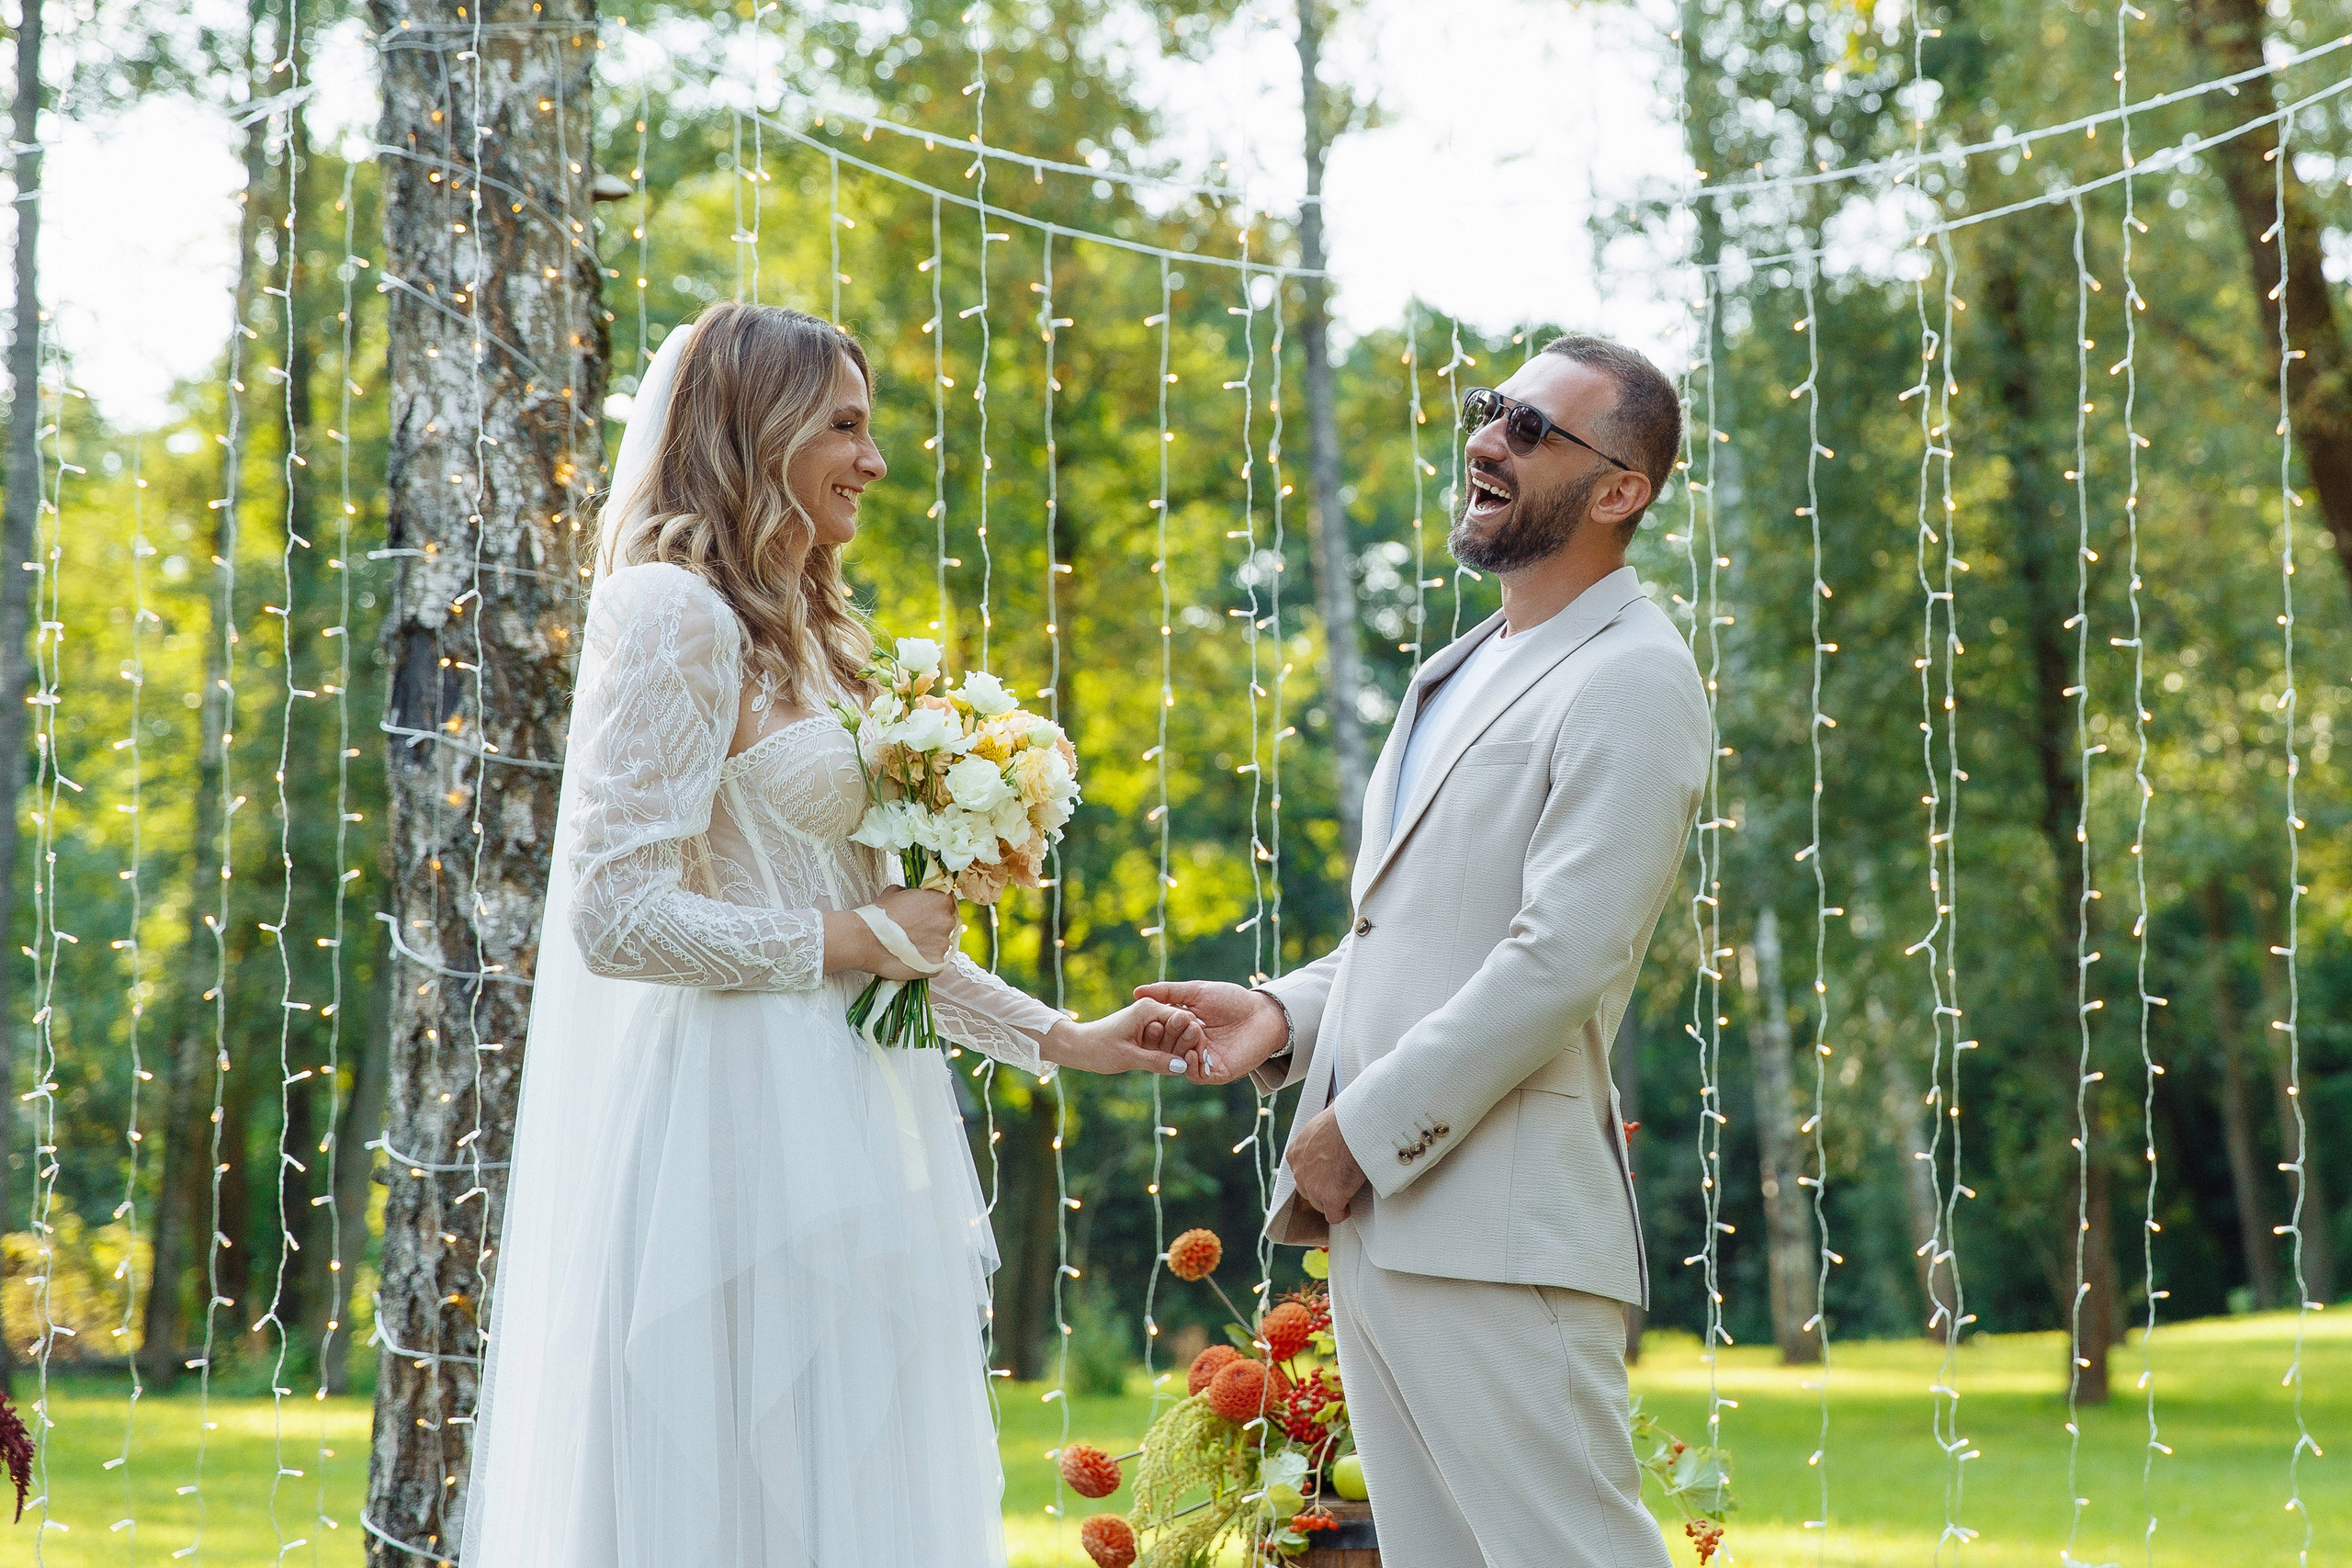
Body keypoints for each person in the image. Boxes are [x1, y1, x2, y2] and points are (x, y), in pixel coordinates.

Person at [463, 300, 1202, 1568]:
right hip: (724, 1119)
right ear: (758, 430)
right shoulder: (670, 611)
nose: (874, 458)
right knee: (729, 1492)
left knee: (853, 1477)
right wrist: (848, 940)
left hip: (859, 1103)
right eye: (845, 426)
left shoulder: (818, 642)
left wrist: (1066, 1040)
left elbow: (891, 930)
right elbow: (615, 914)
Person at [1141, 335, 1707, 1568]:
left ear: (1622, 492)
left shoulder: (1635, 679)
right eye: (1491, 410)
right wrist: (1285, 1018)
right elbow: (1421, 933)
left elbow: (1558, 961)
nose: (1488, 441)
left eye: (1533, 430)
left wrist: (1363, 1130)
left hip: (1499, 1233)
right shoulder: (1458, 673)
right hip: (1392, 1229)